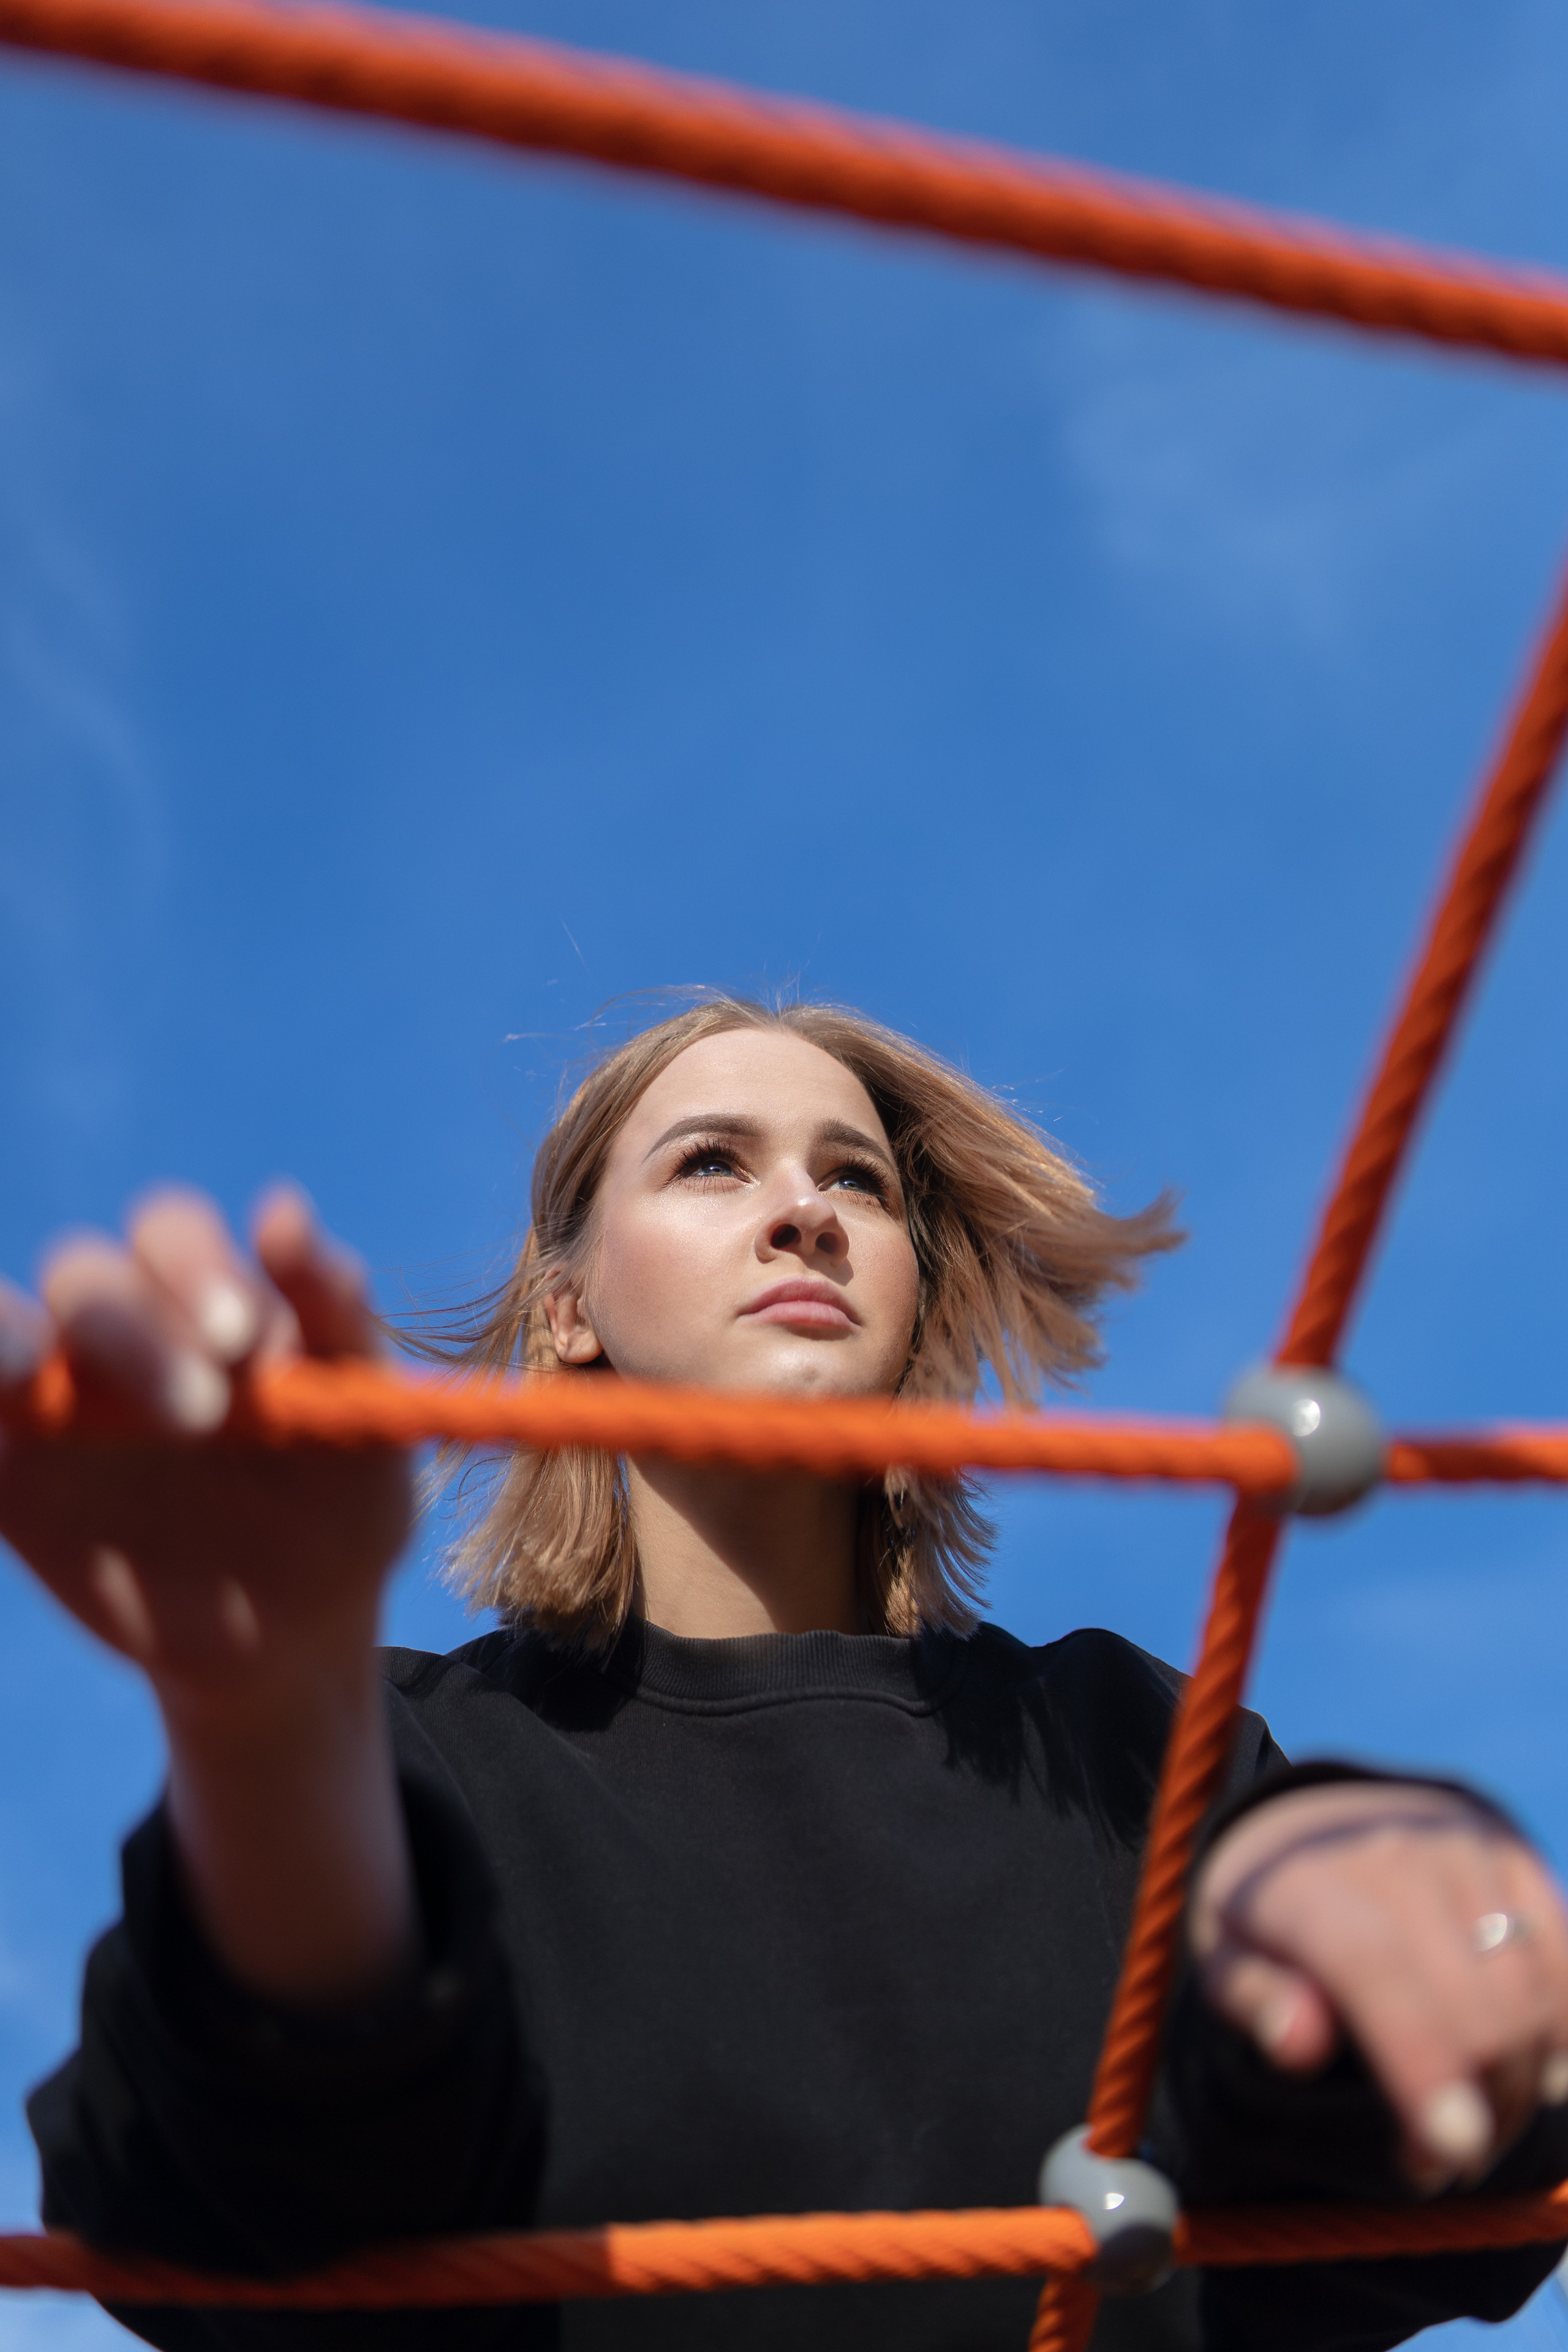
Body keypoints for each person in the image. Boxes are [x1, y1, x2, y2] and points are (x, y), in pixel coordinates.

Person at [1, 995, 1566, 2352]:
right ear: (567, 1312)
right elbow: (265, 2199)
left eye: (856, 1180)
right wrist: (263, 1719)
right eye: (710, 1162)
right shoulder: (421, 1756)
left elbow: (1438, 2164)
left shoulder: (1104, 1742)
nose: (804, 1210)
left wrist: (1360, 1871)